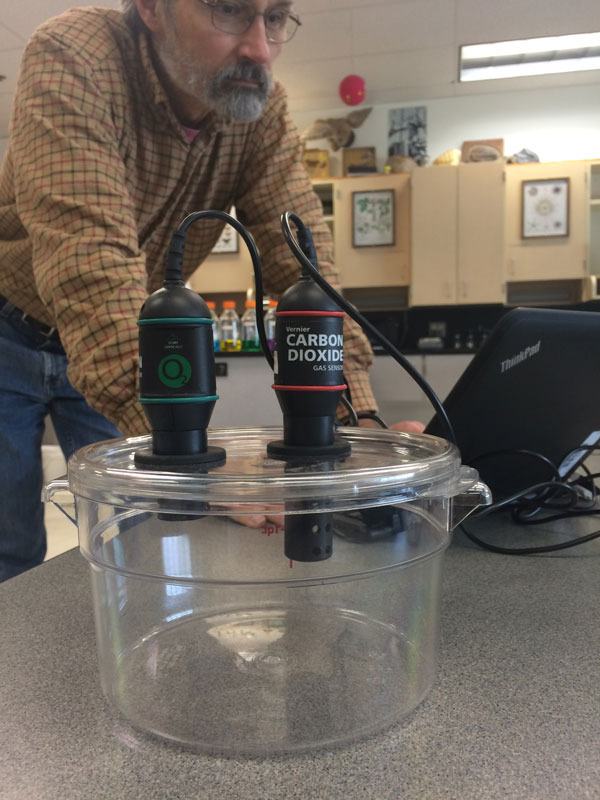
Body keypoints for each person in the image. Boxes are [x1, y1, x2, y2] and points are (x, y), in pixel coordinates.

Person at [0, 0, 421, 582]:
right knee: (10, 548)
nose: (259, 48)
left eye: (274, 18)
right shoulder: (75, 54)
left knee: (135, 538)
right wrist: (189, 462)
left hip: (124, 337)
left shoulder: (260, 108)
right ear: (150, 7)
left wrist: (354, 421)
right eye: (229, 10)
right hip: (15, 332)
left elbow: (304, 264)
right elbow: (88, 259)